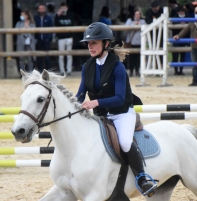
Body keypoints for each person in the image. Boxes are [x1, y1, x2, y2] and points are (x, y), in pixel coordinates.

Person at [76, 22, 157, 196]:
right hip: (102, 116)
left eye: (94, 43)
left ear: (106, 44)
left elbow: (119, 98)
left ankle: (142, 178)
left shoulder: (117, 67)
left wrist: (95, 103)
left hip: (122, 113)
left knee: (125, 143)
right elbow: (81, 94)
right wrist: (74, 107)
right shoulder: (87, 67)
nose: (90, 47)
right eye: (88, 43)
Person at [173, 6, 197, 86]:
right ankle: (195, 81)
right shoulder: (192, 21)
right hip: (194, 47)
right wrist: (178, 36)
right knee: (194, 66)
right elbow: (185, 30)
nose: (196, 14)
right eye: (195, 12)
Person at [54, 2, 74, 76]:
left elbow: (73, 26)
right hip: (61, 38)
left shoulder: (70, 15)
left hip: (69, 38)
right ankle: (62, 70)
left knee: (69, 55)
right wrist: (57, 15)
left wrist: (72, 36)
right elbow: (55, 25)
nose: (63, 9)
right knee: (61, 55)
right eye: (62, 8)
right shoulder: (58, 16)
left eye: (64, 8)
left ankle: (69, 70)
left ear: (67, 8)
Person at [125, 9, 146, 77]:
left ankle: (137, 71)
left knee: (138, 58)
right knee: (131, 58)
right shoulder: (130, 20)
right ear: (134, 15)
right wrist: (133, 24)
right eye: (136, 14)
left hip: (140, 42)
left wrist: (140, 25)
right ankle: (131, 71)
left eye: (139, 14)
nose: (138, 15)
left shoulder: (142, 21)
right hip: (132, 42)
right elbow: (125, 27)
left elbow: (146, 27)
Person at [34, 3, 53, 73]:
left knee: (47, 57)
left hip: (46, 40)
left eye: (43, 9)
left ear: (45, 10)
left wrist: (49, 38)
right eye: (40, 9)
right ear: (38, 10)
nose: (41, 10)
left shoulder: (48, 18)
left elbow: (51, 28)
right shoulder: (35, 18)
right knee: (38, 56)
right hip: (38, 40)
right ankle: (40, 71)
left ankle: (48, 71)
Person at [171, 6, 189, 75]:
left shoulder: (187, 17)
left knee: (183, 55)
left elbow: (190, 21)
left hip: (184, 38)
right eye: (180, 12)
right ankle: (175, 70)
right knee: (175, 55)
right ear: (178, 12)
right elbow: (173, 21)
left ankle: (181, 70)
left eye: (183, 12)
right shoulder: (175, 17)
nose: (182, 13)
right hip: (176, 39)